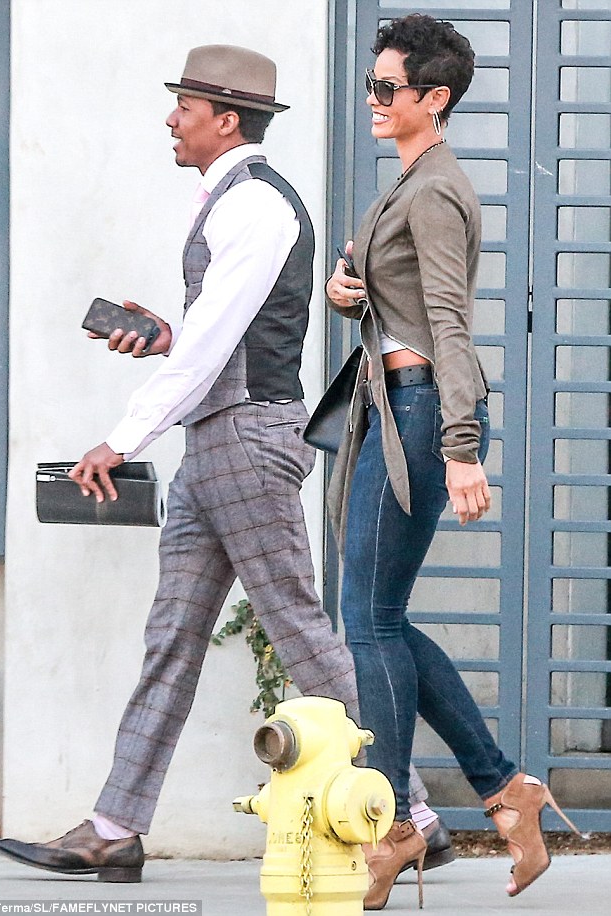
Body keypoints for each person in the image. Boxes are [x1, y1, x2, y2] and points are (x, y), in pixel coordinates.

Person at [0, 43, 447, 883]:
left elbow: (212, 345)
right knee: (172, 636)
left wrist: (123, 437)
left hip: (245, 440)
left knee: (301, 632)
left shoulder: (257, 206)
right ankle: (115, 827)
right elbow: (216, 336)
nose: (172, 119)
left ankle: (409, 809)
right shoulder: (232, 203)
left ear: (227, 120)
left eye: (186, 108)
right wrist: (165, 336)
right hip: (216, 442)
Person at [326, 14, 582, 911]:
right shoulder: (412, 180)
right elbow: (400, 302)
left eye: (386, 87)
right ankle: (505, 791)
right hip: (397, 406)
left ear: (433, 98)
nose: (373, 98)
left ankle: (399, 823)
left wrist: (461, 447)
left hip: (423, 412)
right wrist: (349, 292)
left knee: (370, 621)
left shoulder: (435, 189)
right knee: (378, 617)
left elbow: (450, 325)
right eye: (371, 83)